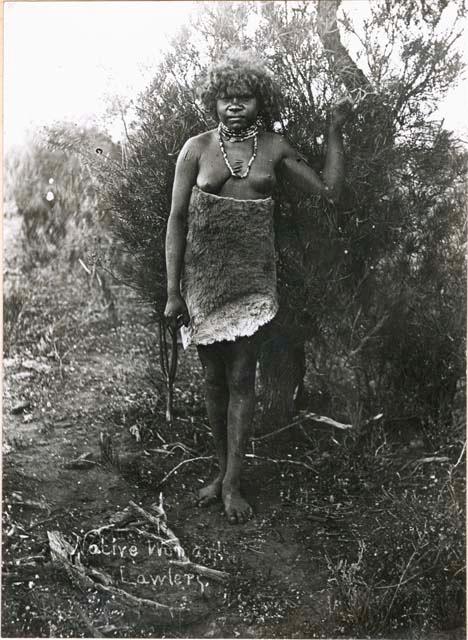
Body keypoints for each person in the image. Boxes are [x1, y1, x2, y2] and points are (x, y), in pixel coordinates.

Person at [164, 53, 351, 524]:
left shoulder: (274, 148)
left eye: (243, 98)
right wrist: (173, 290)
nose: (233, 106)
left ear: (258, 101)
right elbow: (177, 220)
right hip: (203, 281)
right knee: (211, 379)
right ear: (213, 100)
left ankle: (231, 484)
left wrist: (333, 132)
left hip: (252, 284)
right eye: (225, 98)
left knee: (242, 377)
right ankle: (220, 471)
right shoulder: (196, 149)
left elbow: (328, 190)